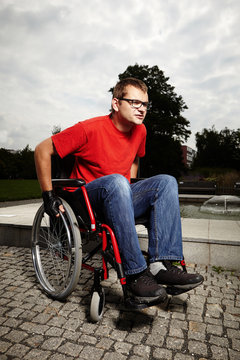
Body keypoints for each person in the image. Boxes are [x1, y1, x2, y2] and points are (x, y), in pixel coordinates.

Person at [35, 77, 203, 305]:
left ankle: (160, 266)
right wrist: (48, 195)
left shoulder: (140, 131)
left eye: (144, 104)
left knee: (166, 182)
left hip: (119, 196)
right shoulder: (88, 129)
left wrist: (130, 185)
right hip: (89, 202)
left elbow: (134, 158)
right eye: (134, 102)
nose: (141, 108)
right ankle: (134, 274)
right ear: (116, 103)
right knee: (116, 181)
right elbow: (41, 150)